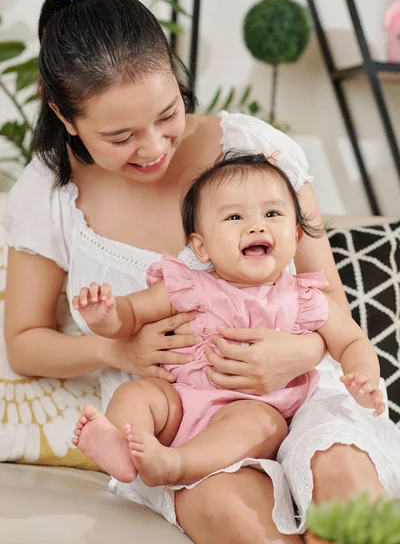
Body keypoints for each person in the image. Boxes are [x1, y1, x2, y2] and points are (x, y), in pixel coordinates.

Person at [3, 0, 399, 543]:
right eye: (119, 136)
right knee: (237, 516)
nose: (154, 147)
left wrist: (301, 350)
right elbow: (24, 340)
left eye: (167, 114)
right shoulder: (49, 193)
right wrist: (115, 347)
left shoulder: (257, 150)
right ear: (65, 118)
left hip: (306, 390)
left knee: (347, 488)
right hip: (183, 427)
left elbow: (325, 295)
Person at [71, 151, 385, 489]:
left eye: (272, 213)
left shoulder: (304, 299)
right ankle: (122, 448)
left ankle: (176, 464)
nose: (256, 224)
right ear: (201, 246)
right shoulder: (190, 285)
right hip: (180, 401)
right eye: (235, 217)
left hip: (252, 409)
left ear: (295, 238)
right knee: (135, 393)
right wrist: (105, 316)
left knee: (260, 423)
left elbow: (352, 341)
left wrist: (364, 376)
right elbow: (131, 314)